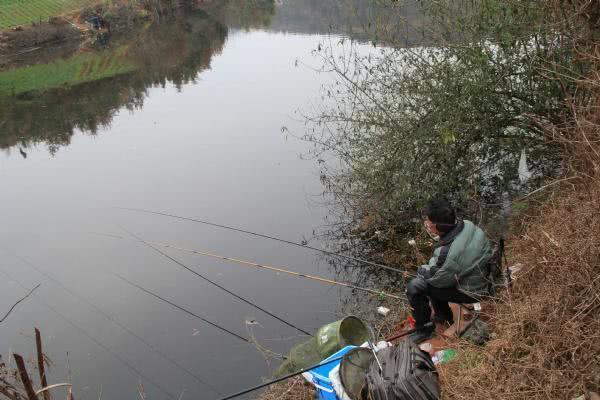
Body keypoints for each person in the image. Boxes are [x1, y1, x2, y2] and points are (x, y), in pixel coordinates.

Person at [407, 198, 493, 343]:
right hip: (485, 277)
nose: (427, 225)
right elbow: (445, 269)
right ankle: (442, 315)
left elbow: (435, 278)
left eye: (428, 222)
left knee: (415, 286)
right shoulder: (467, 224)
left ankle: (424, 328)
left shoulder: (449, 253)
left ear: (436, 225)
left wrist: (421, 270)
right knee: (436, 279)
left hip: (474, 291)